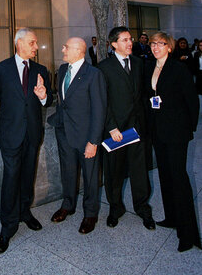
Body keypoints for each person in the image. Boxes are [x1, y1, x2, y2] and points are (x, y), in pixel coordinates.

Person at [0, 28, 53, 254]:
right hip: (10, 134)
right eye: (32, 42)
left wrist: (43, 96)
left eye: (36, 43)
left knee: (28, 175)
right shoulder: (1, 68)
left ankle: (24, 212)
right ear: (19, 43)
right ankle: (7, 227)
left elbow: (48, 99)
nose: (35, 47)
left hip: (32, 133)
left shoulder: (41, 70)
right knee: (11, 178)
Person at [144, 31, 201, 252]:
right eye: (153, 43)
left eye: (161, 43)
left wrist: (189, 128)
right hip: (158, 131)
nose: (156, 47)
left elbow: (191, 100)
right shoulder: (150, 67)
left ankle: (188, 234)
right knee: (165, 175)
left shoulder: (179, 69)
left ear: (170, 47)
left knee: (179, 179)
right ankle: (171, 218)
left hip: (177, 132)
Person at [48, 37, 107, 234]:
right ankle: (68, 205)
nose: (62, 48)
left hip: (86, 137)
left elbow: (99, 110)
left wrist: (93, 141)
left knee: (90, 177)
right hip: (64, 132)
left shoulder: (93, 74)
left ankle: (90, 214)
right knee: (68, 172)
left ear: (79, 51)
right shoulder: (63, 70)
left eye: (66, 47)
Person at [98, 26, 155, 230]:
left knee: (140, 170)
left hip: (137, 127)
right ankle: (115, 208)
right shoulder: (103, 67)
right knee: (114, 171)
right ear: (114, 44)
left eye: (130, 39)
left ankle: (142, 207)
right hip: (116, 131)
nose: (130, 43)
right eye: (124, 40)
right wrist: (111, 126)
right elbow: (102, 101)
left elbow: (143, 95)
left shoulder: (139, 63)